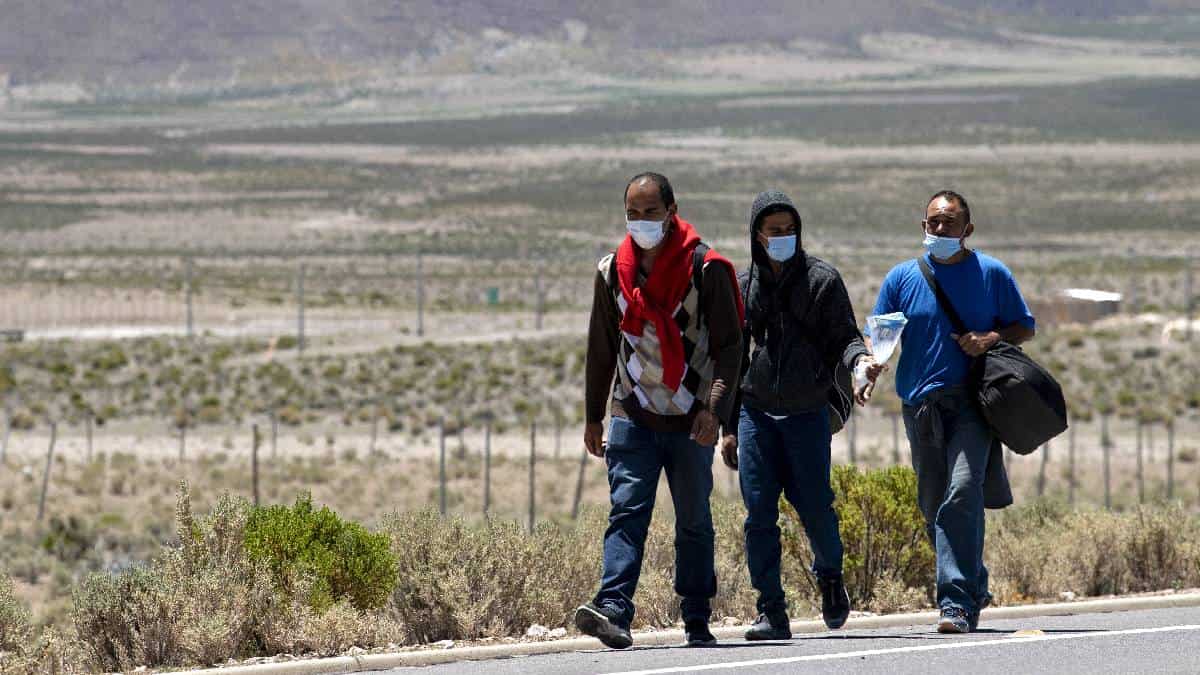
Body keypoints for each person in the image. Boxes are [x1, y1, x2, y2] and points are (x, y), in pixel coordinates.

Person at [574, 172, 744, 649]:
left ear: (672, 210)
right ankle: (613, 608)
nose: (641, 221)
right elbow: (602, 348)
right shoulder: (612, 272)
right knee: (627, 511)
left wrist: (715, 410)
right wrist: (593, 414)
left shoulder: (705, 268)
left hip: (692, 418)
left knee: (693, 519)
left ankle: (695, 614)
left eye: (651, 211)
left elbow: (731, 347)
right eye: (633, 213)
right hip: (632, 412)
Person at [865, 190, 1035, 633]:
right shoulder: (902, 277)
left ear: (968, 229)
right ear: (923, 226)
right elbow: (880, 333)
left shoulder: (992, 273)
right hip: (919, 405)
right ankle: (974, 581)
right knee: (932, 504)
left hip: (972, 404)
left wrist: (989, 338)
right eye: (932, 223)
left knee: (962, 490)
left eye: (949, 223)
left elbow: (1024, 326)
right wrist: (869, 369)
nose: (939, 230)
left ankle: (955, 603)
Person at [725, 190, 883, 640]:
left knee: (816, 509)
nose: (783, 238)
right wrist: (729, 427)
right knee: (758, 515)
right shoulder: (742, 286)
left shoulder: (822, 281)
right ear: (757, 234)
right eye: (774, 231)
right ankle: (771, 611)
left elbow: (845, 338)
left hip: (806, 416)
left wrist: (860, 364)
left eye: (790, 230)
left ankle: (830, 578)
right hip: (755, 416)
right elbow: (733, 360)